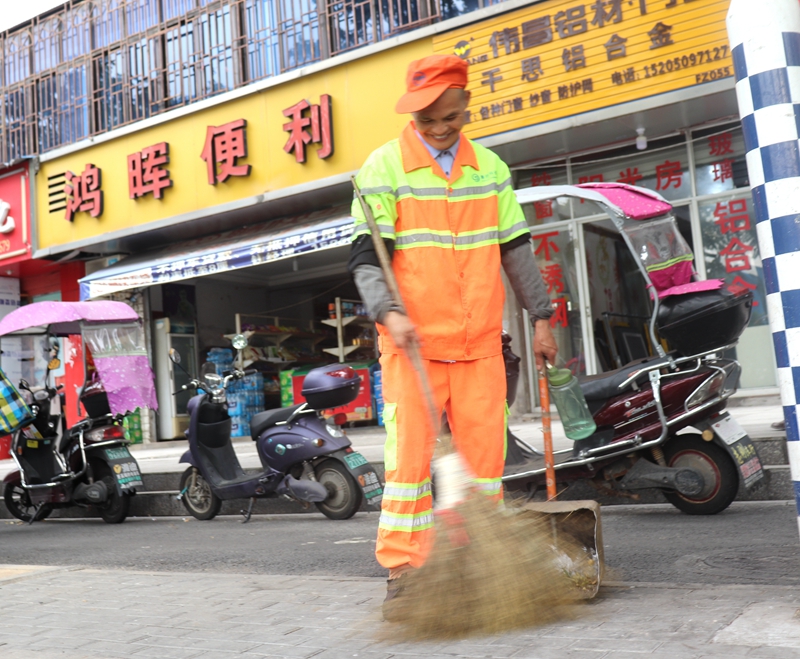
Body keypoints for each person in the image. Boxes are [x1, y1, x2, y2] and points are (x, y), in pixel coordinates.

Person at [348, 54, 558, 614]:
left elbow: (515, 250)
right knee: (410, 467)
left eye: (451, 118)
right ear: (413, 115)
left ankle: (473, 561)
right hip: (411, 344)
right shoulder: (383, 169)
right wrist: (387, 312)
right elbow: (368, 258)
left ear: (467, 108)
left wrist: (541, 317)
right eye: (428, 121)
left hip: (480, 346)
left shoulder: (489, 170)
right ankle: (404, 569)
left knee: (484, 467)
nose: (440, 129)